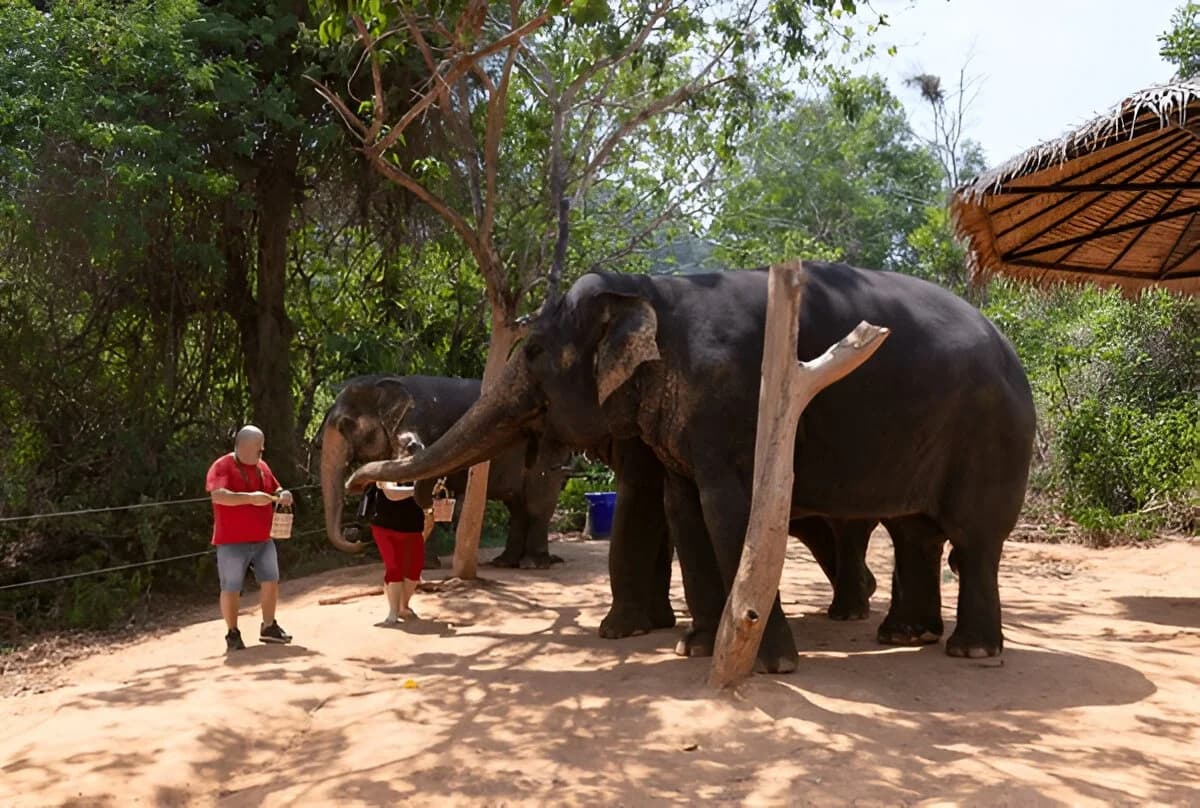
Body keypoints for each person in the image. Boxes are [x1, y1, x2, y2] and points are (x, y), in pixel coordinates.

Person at [206, 425, 294, 652]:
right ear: (244, 446)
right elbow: (219, 497)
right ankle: (232, 633)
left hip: (263, 539)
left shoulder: (263, 467)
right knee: (231, 587)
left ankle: (269, 626)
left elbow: (277, 488)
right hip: (231, 541)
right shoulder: (222, 466)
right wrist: (250, 499)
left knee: (271, 580)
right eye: (258, 446)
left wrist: (284, 494)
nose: (262, 450)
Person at [360, 480, 428, 624]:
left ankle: (404, 606)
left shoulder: (420, 474)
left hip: (413, 528)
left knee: (414, 570)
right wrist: (419, 489)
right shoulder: (385, 472)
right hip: (385, 529)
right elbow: (392, 494)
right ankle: (393, 612)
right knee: (394, 568)